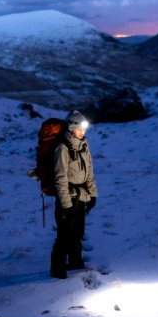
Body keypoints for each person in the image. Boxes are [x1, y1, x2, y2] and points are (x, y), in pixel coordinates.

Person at [51, 110, 98, 279]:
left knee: (77, 232)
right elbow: (60, 177)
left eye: (84, 129)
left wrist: (93, 194)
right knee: (64, 234)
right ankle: (57, 270)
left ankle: (75, 263)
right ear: (71, 128)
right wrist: (65, 204)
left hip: (81, 195)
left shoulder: (84, 145)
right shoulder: (62, 147)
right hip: (68, 197)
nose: (82, 132)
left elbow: (89, 171)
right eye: (79, 129)